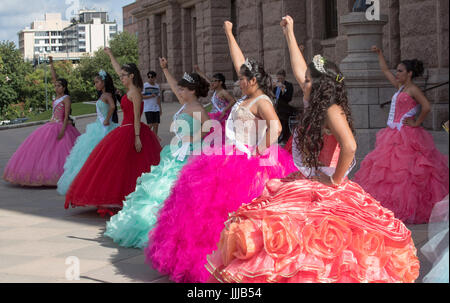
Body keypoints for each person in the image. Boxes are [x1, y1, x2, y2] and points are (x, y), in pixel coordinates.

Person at [205, 16, 420, 284]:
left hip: (324, 187)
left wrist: (335, 179)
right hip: (307, 181)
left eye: (308, 81)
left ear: (321, 86)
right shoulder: (317, 105)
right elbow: (299, 68)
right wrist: (290, 34)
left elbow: (350, 146)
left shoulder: (330, 109)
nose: (302, 83)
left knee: (319, 250)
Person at [145, 20, 297, 283]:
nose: (238, 82)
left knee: (241, 214)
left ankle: (243, 263)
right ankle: (218, 259)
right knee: (207, 210)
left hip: (248, 161)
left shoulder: (261, 100)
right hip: (228, 155)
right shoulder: (247, 96)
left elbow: (276, 126)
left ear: (252, 80)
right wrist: (229, 33)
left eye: (242, 78)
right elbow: (240, 61)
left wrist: (257, 151)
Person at [104, 57, 210, 248]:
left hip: (191, 152)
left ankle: (173, 226)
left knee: (178, 188)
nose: (179, 91)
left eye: (183, 89)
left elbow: (209, 126)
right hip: (177, 150)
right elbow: (173, 84)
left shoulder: (197, 108)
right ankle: (154, 225)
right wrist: (166, 70)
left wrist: (193, 138)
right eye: (180, 89)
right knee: (163, 184)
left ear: (192, 91)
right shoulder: (186, 104)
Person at [353, 46, 449, 224]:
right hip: (393, 133)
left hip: (408, 135)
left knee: (406, 172)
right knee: (388, 171)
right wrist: (380, 54)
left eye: (400, 71)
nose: (397, 73)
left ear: (410, 74)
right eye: (397, 70)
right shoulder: (400, 87)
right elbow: (384, 70)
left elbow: (426, 106)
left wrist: (416, 122)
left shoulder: (412, 89)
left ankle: (412, 208)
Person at [64, 48, 162, 216]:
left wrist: (137, 137)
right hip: (124, 130)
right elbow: (118, 70)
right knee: (117, 165)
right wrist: (110, 54)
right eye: (121, 75)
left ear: (131, 76)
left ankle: (131, 197)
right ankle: (119, 197)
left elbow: (138, 117)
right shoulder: (130, 89)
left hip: (133, 130)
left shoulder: (136, 93)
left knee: (132, 166)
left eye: (124, 75)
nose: (121, 77)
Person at [3, 56, 80, 186]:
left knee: (60, 154)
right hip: (51, 124)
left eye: (59, 86)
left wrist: (62, 130)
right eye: (55, 86)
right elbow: (53, 78)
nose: (56, 87)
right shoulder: (57, 97)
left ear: (64, 87)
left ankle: (62, 176)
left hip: (60, 126)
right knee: (45, 152)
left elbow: (66, 116)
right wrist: (51, 64)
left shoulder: (66, 98)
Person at [57, 70, 119, 195]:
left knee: (100, 153)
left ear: (104, 82)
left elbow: (112, 106)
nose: (95, 85)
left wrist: (107, 119)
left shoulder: (107, 95)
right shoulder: (102, 95)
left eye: (97, 82)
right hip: (98, 126)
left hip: (104, 127)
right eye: (95, 82)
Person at [273, 69, 295, 144]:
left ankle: (284, 137)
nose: (279, 80)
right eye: (278, 79)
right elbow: (272, 96)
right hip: (275, 106)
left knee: (282, 116)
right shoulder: (275, 85)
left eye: (281, 79)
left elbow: (289, 98)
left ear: (284, 77)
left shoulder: (289, 85)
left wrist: (284, 91)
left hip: (284, 107)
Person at [142, 71, 162, 135]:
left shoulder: (157, 86)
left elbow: (158, 98)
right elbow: (141, 97)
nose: (150, 78)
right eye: (149, 77)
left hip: (156, 108)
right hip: (148, 108)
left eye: (152, 77)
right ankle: (144, 137)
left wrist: (160, 108)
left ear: (155, 77)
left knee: (156, 125)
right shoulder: (145, 85)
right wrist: (150, 96)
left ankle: (155, 140)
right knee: (150, 125)